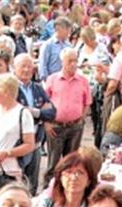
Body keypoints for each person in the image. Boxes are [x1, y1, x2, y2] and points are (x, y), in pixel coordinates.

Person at [0, 73, 36, 200]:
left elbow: (30, 145)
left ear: (6, 91)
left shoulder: (23, 113)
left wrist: (7, 153)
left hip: (10, 171)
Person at [43, 48, 91, 180]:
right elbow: (44, 103)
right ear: (62, 62)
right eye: (70, 61)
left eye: (75, 61)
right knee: (53, 164)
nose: (74, 64)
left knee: (71, 163)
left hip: (75, 127)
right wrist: (46, 123)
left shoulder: (82, 80)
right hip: (56, 126)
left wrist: (81, 119)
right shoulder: (52, 79)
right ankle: (49, 190)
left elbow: (87, 102)